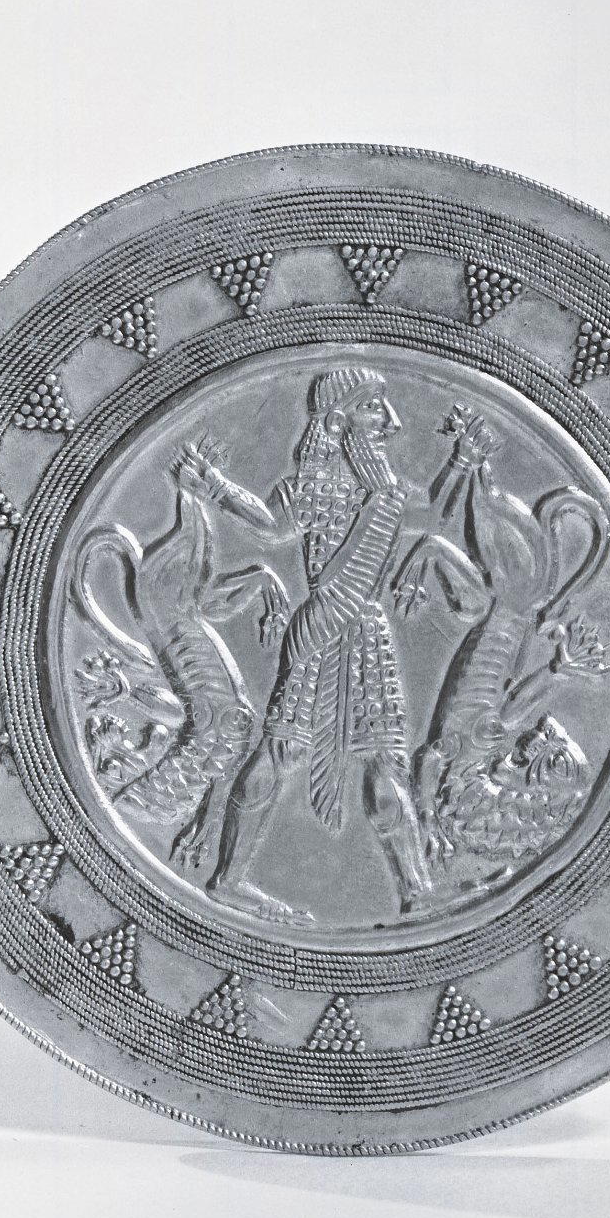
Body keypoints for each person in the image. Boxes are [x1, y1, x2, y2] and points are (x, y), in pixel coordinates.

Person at [180, 366, 433, 924]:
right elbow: (272, 526)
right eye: (373, 407)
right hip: (327, 623)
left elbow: (433, 516)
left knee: (383, 761)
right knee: (285, 751)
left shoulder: (385, 493)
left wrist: (465, 467)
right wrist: (216, 488)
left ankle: (418, 891)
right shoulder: (323, 487)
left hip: (364, 632)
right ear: (339, 420)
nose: (391, 422)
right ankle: (229, 880)